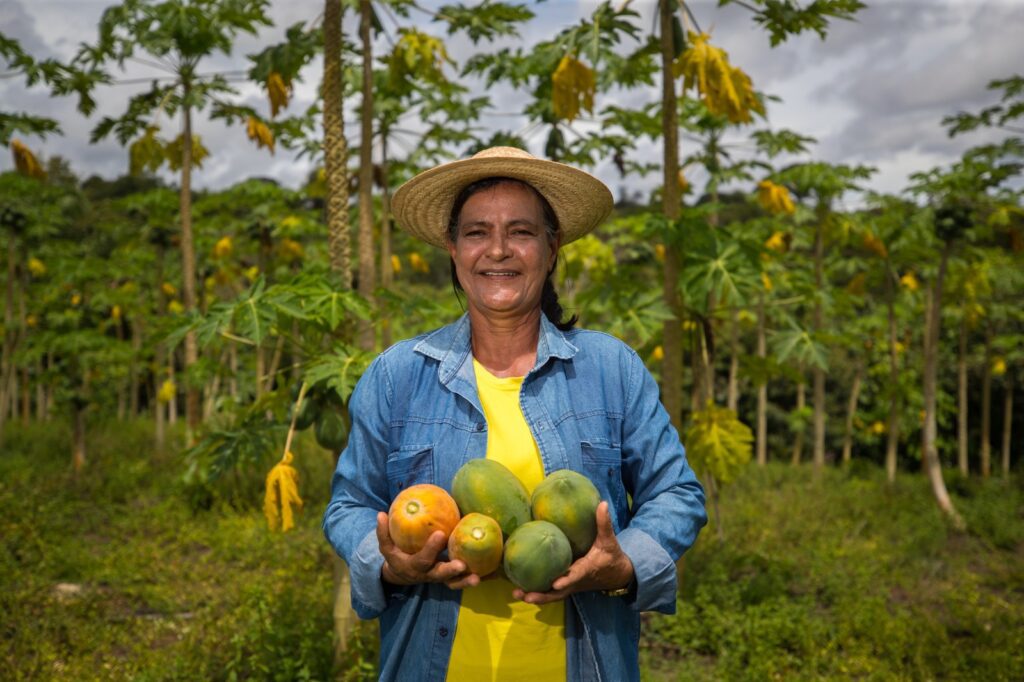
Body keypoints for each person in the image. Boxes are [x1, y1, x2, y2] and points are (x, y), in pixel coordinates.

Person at [323, 146, 707, 681]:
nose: (498, 249)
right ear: (453, 250)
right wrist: (387, 563)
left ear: (552, 249)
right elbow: (349, 505)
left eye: (521, 232)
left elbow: (677, 494)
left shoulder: (612, 368)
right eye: (477, 232)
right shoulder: (396, 376)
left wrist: (625, 565)